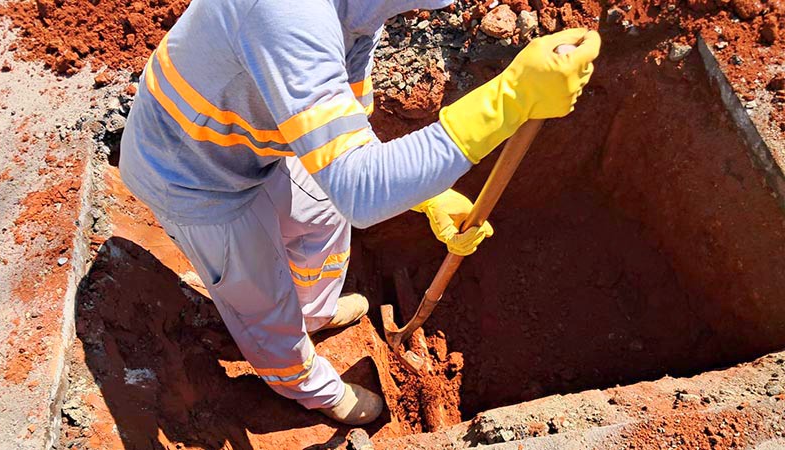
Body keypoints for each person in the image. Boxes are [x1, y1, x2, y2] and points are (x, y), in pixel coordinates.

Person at [119, 0, 600, 425]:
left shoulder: (357, 10)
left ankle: (311, 314)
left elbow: (350, 146)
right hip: (191, 176)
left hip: (252, 148)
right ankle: (307, 385)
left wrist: (425, 196)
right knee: (263, 307)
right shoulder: (288, 14)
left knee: (324, 212)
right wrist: (507, 100)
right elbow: (361, 192)